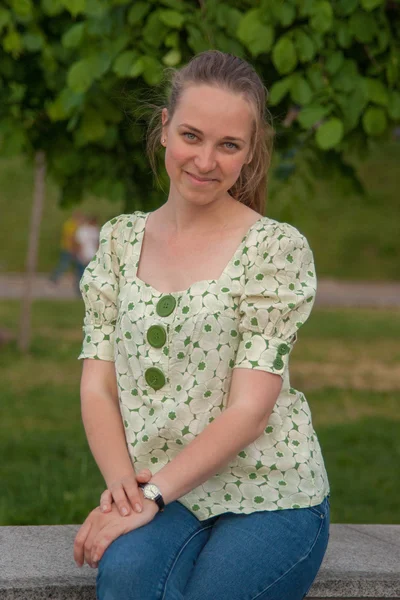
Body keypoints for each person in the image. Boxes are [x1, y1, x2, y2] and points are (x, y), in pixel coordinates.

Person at [73, 50, 330, 600]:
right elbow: (97, 385)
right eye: (192, 135)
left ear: (250, 152)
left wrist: (155, 496)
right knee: (123, 576)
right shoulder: (119, 242)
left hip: (273, 492)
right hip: (167, 491)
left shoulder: (275, 249)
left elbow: (250, 410)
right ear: (164, 130)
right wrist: (124, 492)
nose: (206, 160)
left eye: (228, 145)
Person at [49, 210, 82, 289]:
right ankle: (54, 277)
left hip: (72, 249)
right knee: (64, 264)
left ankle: (55, 277)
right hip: (68, 248)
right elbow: (70, 237)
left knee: (74, 266)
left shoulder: (74, 224)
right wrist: (72, 249)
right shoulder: (70, 225)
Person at [75, 215, 100, 282]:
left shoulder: (95, 230)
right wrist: (80, 254)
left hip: (92, 255)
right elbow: (78, 243)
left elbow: (97, 243)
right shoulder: (82, 230)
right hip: (83, 254)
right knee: (81, 273)